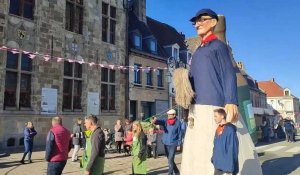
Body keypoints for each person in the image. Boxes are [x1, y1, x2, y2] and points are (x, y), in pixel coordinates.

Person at [180, 8, 262, 175]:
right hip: (197, 107)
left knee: (218, 146)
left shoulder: (218, 46)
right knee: (197, 150)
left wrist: (231, 100)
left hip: (214, 105)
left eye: (202, 19)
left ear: (213, 22)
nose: (197, 24)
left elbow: (228, 73)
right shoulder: (197, 52)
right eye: (196, 21)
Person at [152, 109, 181, 175]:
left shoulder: (178, 123)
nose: (168, 115)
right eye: (167, 114)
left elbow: (180, 134)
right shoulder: (166, 121)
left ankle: (170, 173)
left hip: (173, 144)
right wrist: (155, 121)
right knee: (169, 159)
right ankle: (177, 171)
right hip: (166, 143)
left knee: (170, 159)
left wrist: (179, 144)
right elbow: (159, 122)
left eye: (169, 114)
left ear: (174, 115)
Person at [212, 109, 239, 175]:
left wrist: (230, 167)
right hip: (218, 163)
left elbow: (233, 148)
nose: (214, 118)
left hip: (227, 165)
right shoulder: (218, 129)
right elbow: (215, 145)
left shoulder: (230, 130)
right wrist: (213, 158)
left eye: (216, 116)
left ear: (222, 116)